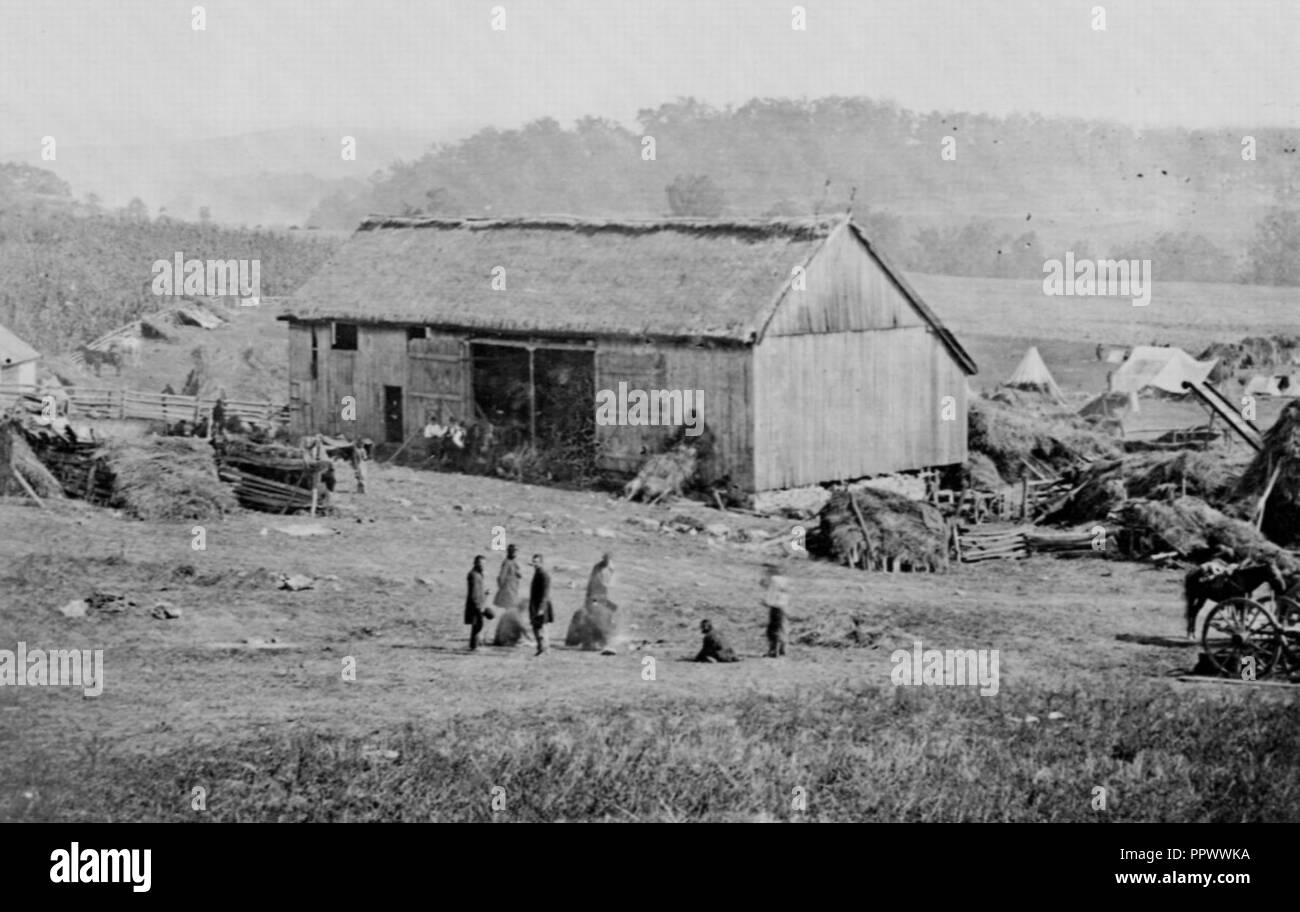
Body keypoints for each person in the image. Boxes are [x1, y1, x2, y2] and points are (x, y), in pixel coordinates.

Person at [761, 563, 789, 658]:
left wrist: (767, 602)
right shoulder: (784, 580)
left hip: (775, 607)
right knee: (781, 627)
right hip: (783, 606)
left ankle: (773, 651)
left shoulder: (774, 580)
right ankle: (782, 650)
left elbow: (772, 593)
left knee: (773, 629)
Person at [529, 553, 555, 655]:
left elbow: (545, 594)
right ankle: (541, 648)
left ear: (541, 563)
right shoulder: (537, 573)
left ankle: (544, 649)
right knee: (536, 627)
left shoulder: (544, 575)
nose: (534, 564)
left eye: (536, 562)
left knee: (541, 628)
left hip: (541, 605)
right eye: (533, 562)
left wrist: (541, 608)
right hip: (535, 604)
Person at [465, 555, 488, 650]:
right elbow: (474, 592)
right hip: (475, 604)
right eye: (480, 563)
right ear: (475, 563)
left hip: (477, 603)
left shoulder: (478, 574)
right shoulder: (474, 575)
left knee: (476, 625)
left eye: (484, 564)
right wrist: (478, 606)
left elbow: (478, 590)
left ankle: (474, 646)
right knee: (478, 624)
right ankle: (474, 646)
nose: (483, 566)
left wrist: (485, 593)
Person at [495, 544, 523, 611]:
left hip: (513, 589)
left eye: (516, 551)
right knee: (510, 608)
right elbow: (501, 577)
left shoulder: (513, 562)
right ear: (510, 552)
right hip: (508, 590)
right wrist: (502, 588)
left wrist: (518, 574)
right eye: (514, 551)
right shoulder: (507, 562)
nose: (516, 553)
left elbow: (516, 572)